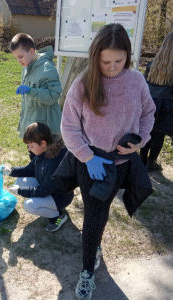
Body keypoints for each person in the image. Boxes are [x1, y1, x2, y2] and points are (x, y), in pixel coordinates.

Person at [60, 24, 156, 299]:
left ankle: (95, 247)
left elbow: (149, 113)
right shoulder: (83, 84)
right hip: (91, 162)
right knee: (93, 215)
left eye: (119, 60)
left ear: (128, 55)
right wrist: (88, 157)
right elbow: (69, 127)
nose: (112, 67)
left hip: (122, 162)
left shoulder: (136, 80)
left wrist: (141, 141)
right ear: (95, 56)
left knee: (101, 213)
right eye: (105, 61)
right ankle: (87, 271)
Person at [2, 122, 73, 232]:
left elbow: (43, 191)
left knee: (29, 205)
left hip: (60, 197)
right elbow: (29, 170)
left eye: (31, 146)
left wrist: (20, 191)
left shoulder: (56, 163)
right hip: (47, 187)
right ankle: (48, 207)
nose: (29, 149)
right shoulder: (43, 151)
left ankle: (58, 216)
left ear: (43, 143)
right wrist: (10, 171)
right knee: (19, 182)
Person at [10, 33, 62, 160]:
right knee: (35, 164)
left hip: (44, 131)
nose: (19, 61)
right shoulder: (27, 66)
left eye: (20, 56)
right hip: (33, 129)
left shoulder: (47, 68)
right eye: (16, 57)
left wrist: (30, 91)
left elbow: (53, 95)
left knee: (47, 167)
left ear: (31, 51)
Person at [140, 31, 173, 172]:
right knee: (159, 134)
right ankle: (151, 162)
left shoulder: (153, 64)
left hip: (150, 101)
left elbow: (145, 81)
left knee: (148, 131)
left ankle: (142, 160)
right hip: (168, 104)